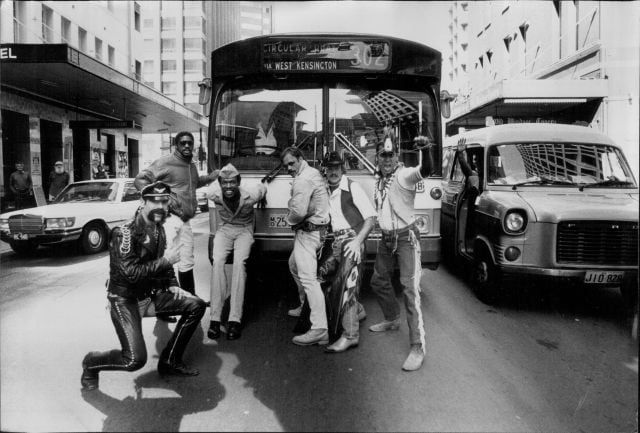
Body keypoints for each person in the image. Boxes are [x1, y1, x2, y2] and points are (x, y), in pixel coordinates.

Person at [80, 182, 207, 391]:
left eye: (164, 201)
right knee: (133, 361)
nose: (161, 206)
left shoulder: (158, 228)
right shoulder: (125, 233)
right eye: (154, 201)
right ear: (142, 202)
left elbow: (163, 265)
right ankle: (91, 363)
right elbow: (130, 274)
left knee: (196, 305)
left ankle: (169, 361)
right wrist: (166, 261)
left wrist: (173, 284)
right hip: (125, 300)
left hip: (149, 296)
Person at [368, 133, 435, 371]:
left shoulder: (404, 175)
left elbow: (425, 170)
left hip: (406, 239)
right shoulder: (378, 179)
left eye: (390, 154)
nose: (387, 159)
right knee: (377, 281)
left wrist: (425, 150)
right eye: (383, 155)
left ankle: (417, 346)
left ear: (397, 156)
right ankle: (392, 318)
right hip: (386, 240)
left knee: (409, 290)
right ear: (377, 157)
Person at [134, 131, 218, 300]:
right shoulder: (165, 162)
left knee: (186, 260)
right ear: (176, 145)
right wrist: (160, 201)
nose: (187, 146)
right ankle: (162, 305)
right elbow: (141, 179)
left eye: (190, 143)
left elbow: (194, 183)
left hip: (185, 221)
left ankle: (190, 300)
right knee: (165, 260)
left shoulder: (191, 165)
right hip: (168, 220)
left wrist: (210, 178)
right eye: (183, 143)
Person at [319, 151, 376, 353]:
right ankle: (357, 310)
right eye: (329, 168)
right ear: (325, 169)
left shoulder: (352, 187)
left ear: (342, 168)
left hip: (353, 241)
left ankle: (350, 335)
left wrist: (358, 241)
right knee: (321, 277)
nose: (333, 171)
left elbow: (370, 219)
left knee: (347, 286)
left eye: (336, 167)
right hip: (336, 243)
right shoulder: (325, 189)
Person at [206, 163, 267, 341]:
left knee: (240, 264)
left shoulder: (252, 194)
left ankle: (234, 320)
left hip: (244, 230)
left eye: (232, 182)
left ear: (238, 182)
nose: (228, 186)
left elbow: (262, 188)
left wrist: (264, 197)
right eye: (224, 183)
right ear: (219, 183)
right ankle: (215, 319)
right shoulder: (212, 193)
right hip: (225, 229)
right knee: (217, 262)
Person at [282, 146, 331, 346]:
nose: (289, 168)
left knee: (309, 280)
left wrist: (288, 218)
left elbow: (298, 213)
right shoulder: (313, 173)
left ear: (301, 159)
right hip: (316, 231)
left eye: (292, 163)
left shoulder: (303, 179)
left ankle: (320, 328)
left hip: (308, 233)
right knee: (293, 265)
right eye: (286, 166)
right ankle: (305, 306)